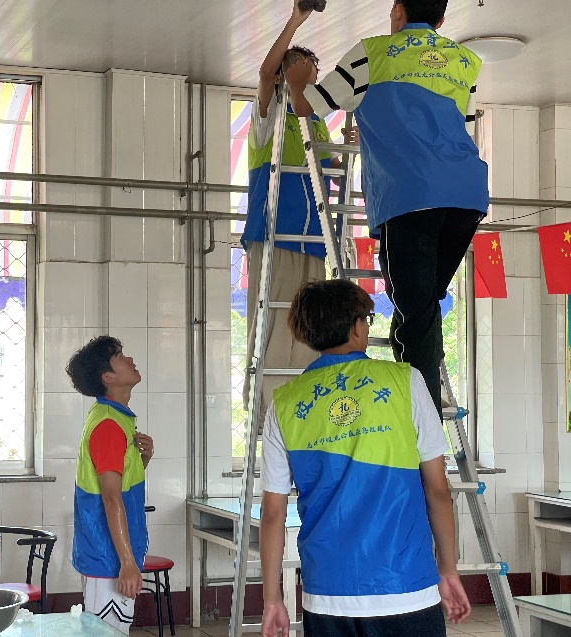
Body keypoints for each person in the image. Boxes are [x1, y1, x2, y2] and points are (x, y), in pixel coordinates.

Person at [286, 0, 489, 417]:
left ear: (397, 10)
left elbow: (307, 106)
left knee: (417, 309)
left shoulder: (372, 53)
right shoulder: (466, 61)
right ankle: (415, 383)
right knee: (421, 304)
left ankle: (420, 418)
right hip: (466, 194)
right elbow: (461, 128)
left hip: (410, 196)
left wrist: (295, 80)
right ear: (441, 20)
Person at [259, 279, 469, 637]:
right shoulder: (406, 382)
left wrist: (272, 599)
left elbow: (272, 514)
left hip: (327, 594)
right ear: (356, 326)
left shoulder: (284, 403)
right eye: (367, 320)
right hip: (406, 587)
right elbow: (438, 491)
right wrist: (448, 569)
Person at [243, 0, 349, 427]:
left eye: (313, 73)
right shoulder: (269, 116)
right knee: (274, 325)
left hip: (315, 238)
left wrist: (347, 148)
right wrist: (296, 20)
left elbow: (332, 171)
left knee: (310, 325)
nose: (310, 77)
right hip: (275, 234)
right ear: (285, 74)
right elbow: (264, 75)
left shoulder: (316, 122)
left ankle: (306, 411)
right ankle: (267, 413)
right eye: (302, 68)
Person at [66, 336, 154, 634]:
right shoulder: (109, 424)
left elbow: (118, 483)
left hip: (110, 556)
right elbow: (111, 498)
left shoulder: (116, 417)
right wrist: (127, 562)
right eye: (120, 357)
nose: (130, 360)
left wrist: (143, 459)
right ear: (108, 377)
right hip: (108, 559)